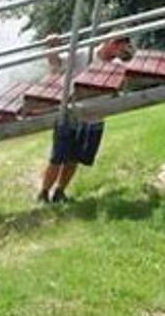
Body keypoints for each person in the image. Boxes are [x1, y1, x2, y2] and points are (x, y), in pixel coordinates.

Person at [37, 34, 134, 203]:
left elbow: (121, 87)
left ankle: (60, 192)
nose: (122, 51)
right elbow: (56, 64)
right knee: (57, 158)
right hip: (70, 113)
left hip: (95, 117)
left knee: (75, 158)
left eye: (125, 47)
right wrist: (51, 46)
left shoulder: (118, 66)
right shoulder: (84, 54)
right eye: (121, 46)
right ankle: (43, 193)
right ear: (110, 43)